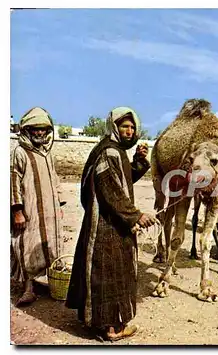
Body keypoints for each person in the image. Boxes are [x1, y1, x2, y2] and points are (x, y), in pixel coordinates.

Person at [65, 107, 157, 341]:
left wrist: (138, 161)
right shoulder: (109, 152)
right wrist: (136, 216)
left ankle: (99, 322)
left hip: (110, 219)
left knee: (106, 272)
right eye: (124, 126)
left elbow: (122, 181)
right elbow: (112, 191)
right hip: (107, 226)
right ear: (115, 127)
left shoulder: (114, 150)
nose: (129, 130)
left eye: (132, 127)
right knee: (110, 271)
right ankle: (112, 329)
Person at [10, 107, 66, 307]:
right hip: (29, 211)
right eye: (35, 129)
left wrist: (59, 203)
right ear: (27, 130)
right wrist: (17, 211)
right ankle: (28, 288)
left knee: (52, 243)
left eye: (43, 128)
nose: (40, 132)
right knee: (26, 244)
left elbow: (55, 179)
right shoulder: (20, 152)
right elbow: (13, 182)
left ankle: (55, 284)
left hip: (50, 210)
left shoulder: (47, 153)